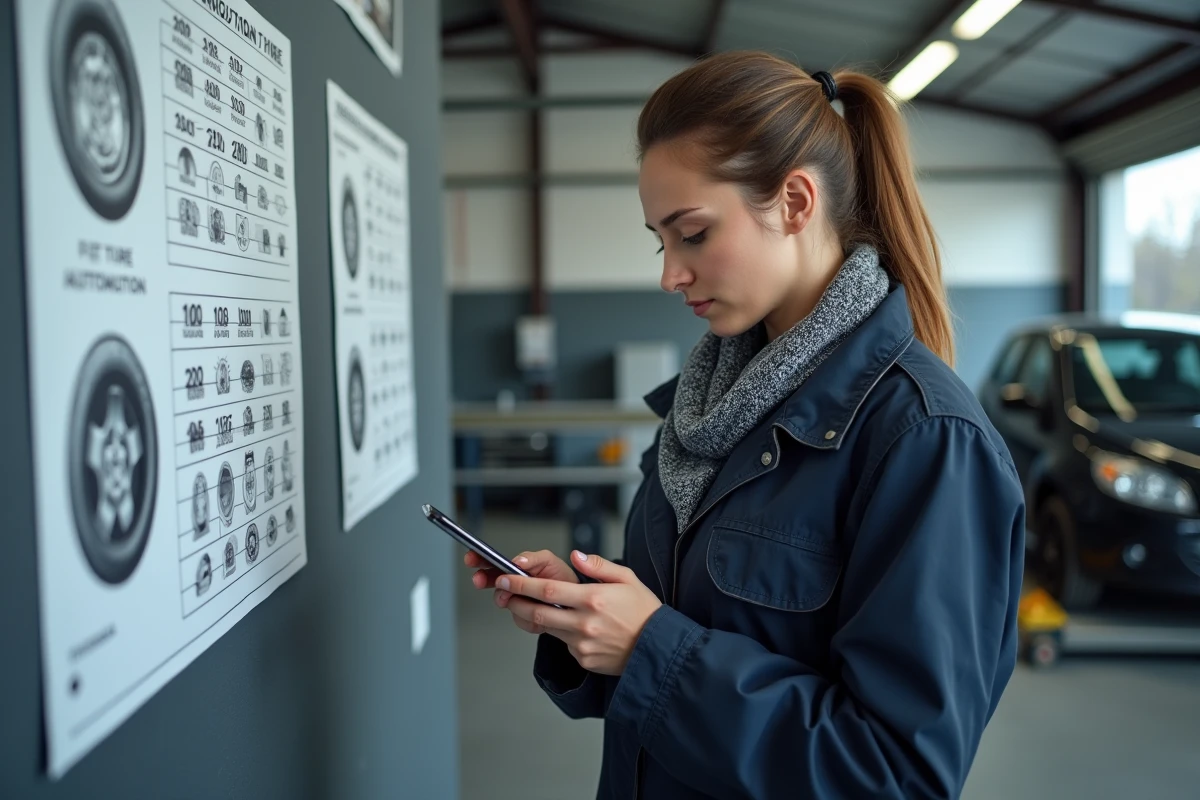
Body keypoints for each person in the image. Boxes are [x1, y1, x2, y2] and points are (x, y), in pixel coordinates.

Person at [464, 51, 1025, 800]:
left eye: (691, 234)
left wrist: (650, 648)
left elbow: (897, 776)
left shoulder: (925, 441)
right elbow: (677, 659)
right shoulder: (704, 411)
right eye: (658, 241)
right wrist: (589, 619)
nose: (669, 273)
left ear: (795, 202)